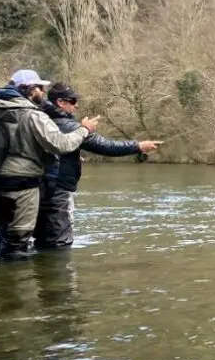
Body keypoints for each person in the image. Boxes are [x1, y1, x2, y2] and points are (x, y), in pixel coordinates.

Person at [0, 69, 100, 260]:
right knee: (18, 243)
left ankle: (1, 284)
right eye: (40, 88)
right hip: (21, 189)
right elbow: (61, 144)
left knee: (6, 238)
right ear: (29, 90)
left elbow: (13, 146)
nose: (43, 93)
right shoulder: (33, 115)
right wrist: (85, 130)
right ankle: (18, 285)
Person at [34, 81, 160, 250]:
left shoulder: (40, 121)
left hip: (37, 189)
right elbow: (106, 146)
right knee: (59, 243)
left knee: (42, 240)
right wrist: (138, 146)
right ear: (60, 102)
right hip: (59, 191)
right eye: (72, 101)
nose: (76, 105)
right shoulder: (70, 127)